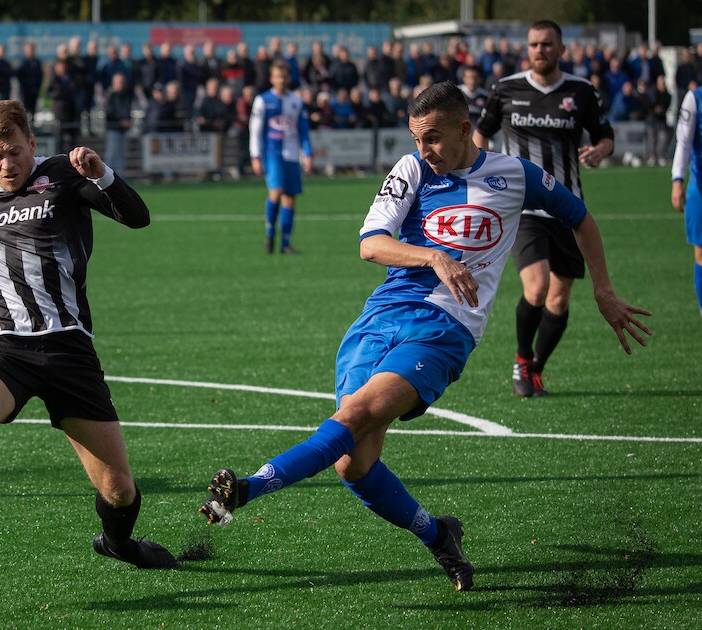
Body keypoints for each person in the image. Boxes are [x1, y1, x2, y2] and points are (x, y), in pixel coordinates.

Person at [200, 81, 650, 592]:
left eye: (433, 138)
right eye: (417, 138)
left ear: (464, 129)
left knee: (354, 416)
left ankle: (248, 488)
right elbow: (371, 245)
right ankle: (439, 535)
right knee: (353, 462)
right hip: (381, 317)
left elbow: (581, 220)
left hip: (445, 329)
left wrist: (605, 291)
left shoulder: (515, 176)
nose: (423, 150)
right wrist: (434, 255)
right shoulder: (411, 169)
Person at [0, 99, 175, 570]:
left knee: (119, 490)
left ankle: (119, 543)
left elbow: (136, 217)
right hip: (6, 346)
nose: (7, 165)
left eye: (15, 152)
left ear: (32, 143)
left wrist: (101, 174)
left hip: (68, 346)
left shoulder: (64, 173)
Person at [473, 20, 615, 398]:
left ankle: (536, 367)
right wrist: (481, 168)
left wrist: (599, 151)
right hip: (523, 206)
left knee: (559, 298)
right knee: (536, 289)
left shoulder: (581, 91)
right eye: (534, 44)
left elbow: (605, 136)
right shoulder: (506, 89)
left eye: (548, 44)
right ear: (527, 49)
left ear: (561, 50)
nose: (540, 50)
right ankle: (521, 359)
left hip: (567, 207)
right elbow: (481, 131)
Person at [250, 60, 313, 255]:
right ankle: (270, 234)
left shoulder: (296, 100)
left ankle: (285, 243)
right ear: (271, 78)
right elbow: (255, 130)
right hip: (272, 153)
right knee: (276, 192)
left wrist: (308, 153)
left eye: (284, 76)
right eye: (277, 76)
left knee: (290, 198)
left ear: (289, 77)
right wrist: (255, 156)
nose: (281, 79)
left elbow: (303, 130)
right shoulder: (262, 100)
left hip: (292, 154)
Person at [671, 82, 702, 318]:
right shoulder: (695, 98)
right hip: (700, 189)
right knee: (701, 253)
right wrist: (677, 179)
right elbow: (683, 142)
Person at [103, 73, 133, 177]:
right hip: (113, 129)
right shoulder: (110, 96)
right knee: (111, 155)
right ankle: (107, 178)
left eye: (122, 82)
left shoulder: (126, 95)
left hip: (123, 130)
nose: (121, 84)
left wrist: (128, 121)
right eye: (119, 82)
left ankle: (121, 178)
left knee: (122, 155)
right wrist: (120, 121)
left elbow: (127, 110)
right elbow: (109, 113)